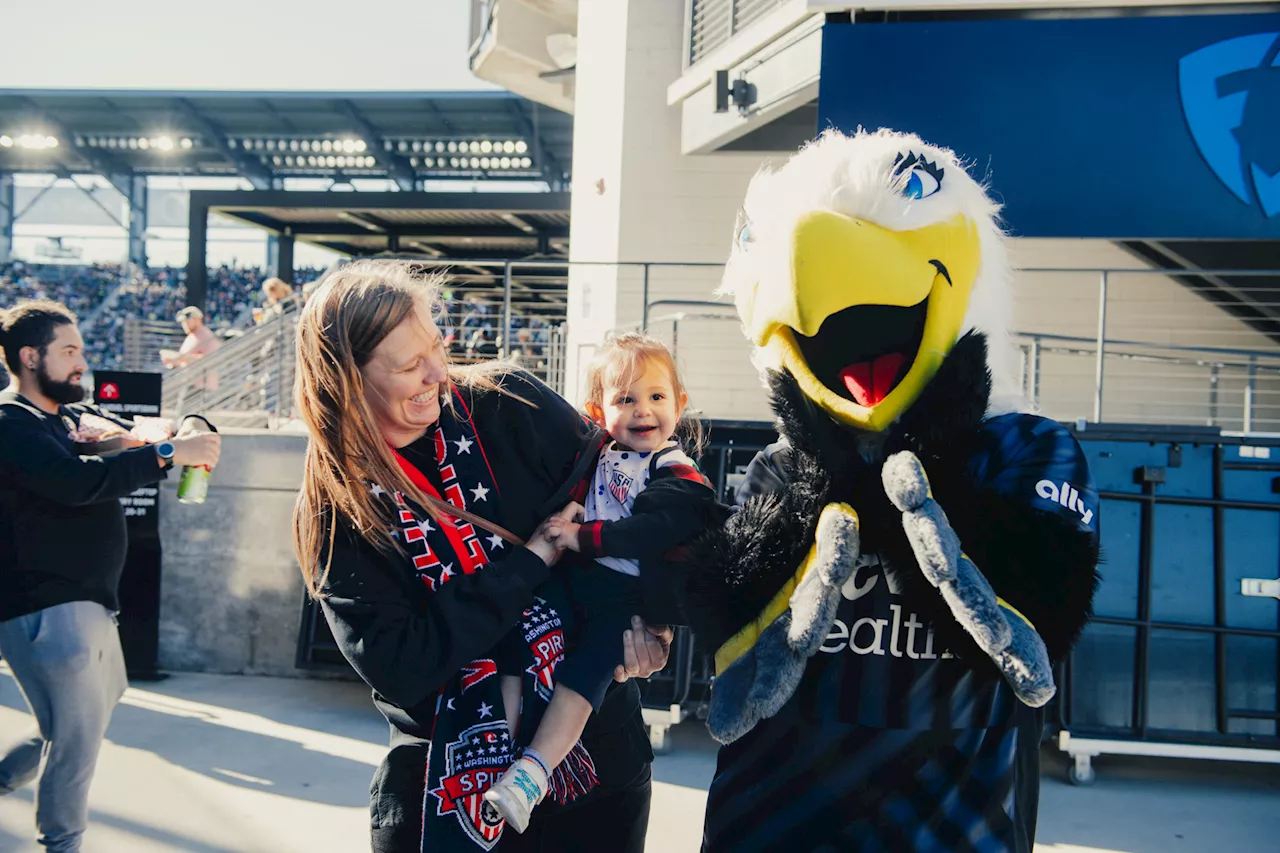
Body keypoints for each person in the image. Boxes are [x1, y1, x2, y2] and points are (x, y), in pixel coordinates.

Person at [290, 260, 672, 853]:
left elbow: (635, 498)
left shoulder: (508, 400)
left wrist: (652, 619)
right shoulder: (337, 506)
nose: (438, 373)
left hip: (595, 758)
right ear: (346, 379)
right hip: (443, 777)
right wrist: (531, 563)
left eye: (435, 347)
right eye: (408, 365)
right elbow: (404, 663)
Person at [0, 300, 221, 853]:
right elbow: (75, 482)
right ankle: (63, 844)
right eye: (68, 351)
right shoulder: (9, 422)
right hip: (45, 605)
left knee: (89, 716)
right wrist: (170, 453)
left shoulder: (69, 418)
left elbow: (139, 435)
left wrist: (186, 430)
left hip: (89, 603)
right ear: (30, 357)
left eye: (80, 349)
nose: (82, 362)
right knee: (75, 742)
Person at [484, 333, 723, 832]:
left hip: (625, 598)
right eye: (626, 398)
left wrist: (580, 536)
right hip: (579, 578)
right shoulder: (600, 454)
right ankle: (495, 747)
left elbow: (651, 532)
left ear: (679, 404)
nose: (643, 411)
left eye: (657, 397)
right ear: (597, 411)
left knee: (585, 676)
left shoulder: (675, 466)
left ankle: (532, 773)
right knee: (516, 633)